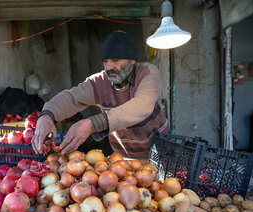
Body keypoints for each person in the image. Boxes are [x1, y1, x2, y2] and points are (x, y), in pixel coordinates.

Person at [32, 30, 169, 158]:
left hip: (159, 155)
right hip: (123, 158)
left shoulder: (147, 73)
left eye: (115, 60)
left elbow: (141, 106)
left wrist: (93, 124)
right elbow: (71, 97)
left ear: (132, 60)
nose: (109, 67)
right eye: (105, 62)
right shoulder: (99, 82)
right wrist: (47, 115)